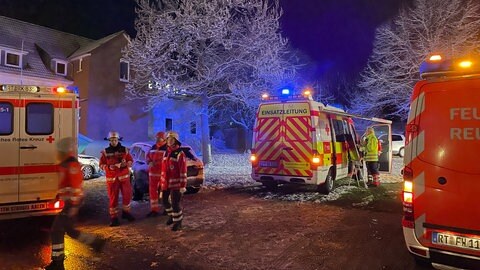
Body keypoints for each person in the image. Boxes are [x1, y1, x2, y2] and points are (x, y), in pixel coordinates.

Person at [43, 137, 105, 270]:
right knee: (69, 231)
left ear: (64, 151)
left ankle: (58, 263)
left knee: (56, 230)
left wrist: (74, 206)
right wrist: (57, 197)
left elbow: (76, 187)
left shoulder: (71, 165)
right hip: (69, 204)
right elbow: (65, 185)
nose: (57, 153)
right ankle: (95, 242)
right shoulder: (65, 164)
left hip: (71, 204)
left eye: (59, 151)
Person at [99, 131, 135, 226]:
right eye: (112, 140)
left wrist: (126, 164)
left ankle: (126, 213)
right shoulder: (105, 152)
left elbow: (131, 160)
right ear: (109, 141)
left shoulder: (125, 150)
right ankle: (114, 218)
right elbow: (101, 165)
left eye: (115, 140)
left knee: (127, 196)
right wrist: (108, 167)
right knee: (113, 198)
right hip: (112, 179)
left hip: (124, 178)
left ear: (118, 140)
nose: (114, 141)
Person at [160, 131, 187, 231]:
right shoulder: (166, 152)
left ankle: (178, 222)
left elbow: (183, 170)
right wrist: (161, 181)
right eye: (168, 139)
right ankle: (172, 216)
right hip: (166, 183)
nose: (169, 141)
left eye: (172, 139)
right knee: (164, 201)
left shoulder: (180, 153)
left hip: (176, 184)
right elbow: (163, 169)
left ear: (176, 141)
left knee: (175, 203)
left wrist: (182, 185)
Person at [145, 131, 167, 217]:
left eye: (159, 138)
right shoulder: (153, 147)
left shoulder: (167, 149)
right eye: (157, 138)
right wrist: (149, 162)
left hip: (163, 174)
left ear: (164, 139)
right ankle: (154, 210)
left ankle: (167, 209)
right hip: (153, 174)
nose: (157, 139)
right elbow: (147, 157)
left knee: (165, 192)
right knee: (153, 193)